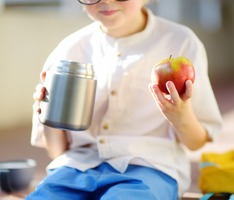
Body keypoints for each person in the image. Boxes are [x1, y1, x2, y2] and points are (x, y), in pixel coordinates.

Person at [27, 0, 222, 199]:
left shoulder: (181, 42)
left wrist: (181, 116)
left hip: (149, 168)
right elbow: (57, 151)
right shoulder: (69, 49)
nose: (107, 1)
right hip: (76, 167)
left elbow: (196, 143)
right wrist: (47, 113)